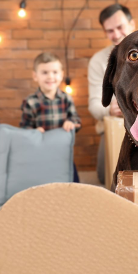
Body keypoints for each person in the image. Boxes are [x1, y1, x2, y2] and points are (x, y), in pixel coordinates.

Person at [88, 4, 136, 184]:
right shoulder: (98, 61)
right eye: (109, 30)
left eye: (120, 27)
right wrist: (109, 109)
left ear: (132, 24)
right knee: (106, 176)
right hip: (115, 126)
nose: (115, 35)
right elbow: (94, 106)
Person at [20, 52, 81, 182]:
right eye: (45, 72)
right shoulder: (30, 102)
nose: (50, 77)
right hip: (40, 152)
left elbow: (76, 120)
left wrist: (71, 122)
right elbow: (24, 128)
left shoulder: (66, 99)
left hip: (63, 151)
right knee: (42, 180)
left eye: (54, 72)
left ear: (61, 74)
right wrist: (33, 132)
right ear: (35, 76)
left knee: (73, 181)